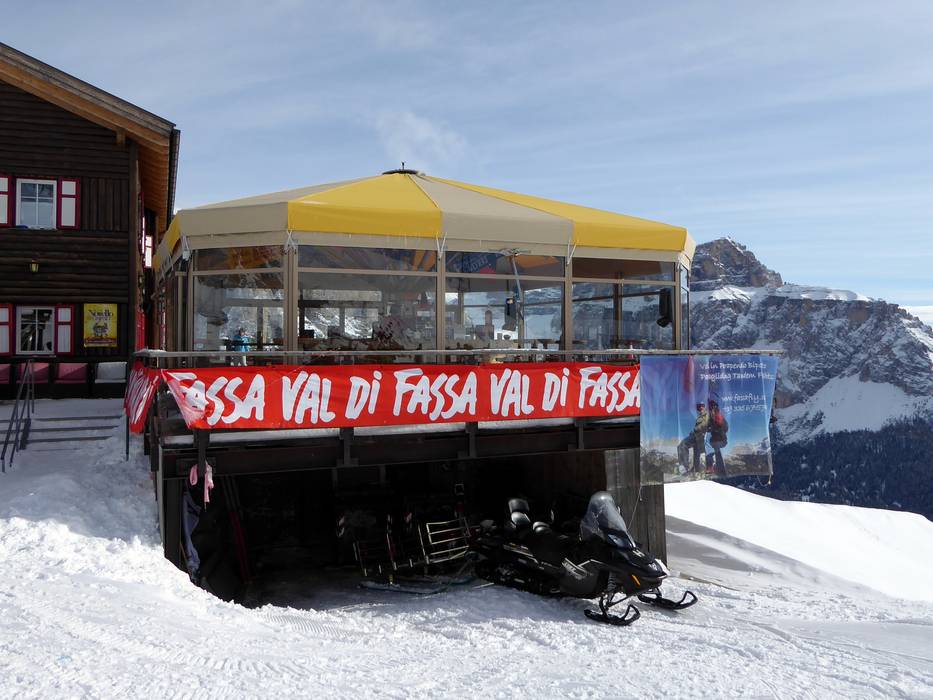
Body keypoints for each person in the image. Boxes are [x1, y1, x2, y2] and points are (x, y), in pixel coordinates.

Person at [677, 402, 709, 473]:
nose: (700, 408)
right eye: (699, 407)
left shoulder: (707, 414)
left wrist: (696, 429)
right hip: (698, 435)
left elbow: (706, 424)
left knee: (682, 445)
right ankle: (696, 470)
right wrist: (693, 431)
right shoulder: (701, 416)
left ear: (704, 407)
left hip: (699, 435)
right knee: (696, 453)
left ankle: (684, 467)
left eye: (702, 406)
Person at [707, 400, 729, 475]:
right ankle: (712, 467)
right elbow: (707, 427)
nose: (711, 409)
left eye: (712, 407)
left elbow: (725, 428)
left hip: (721, 440)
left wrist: (715, 428)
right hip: (714, 440)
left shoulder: (718, 415)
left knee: (716, 449)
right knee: (709, 450)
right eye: (710, 408)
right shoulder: (711, 417)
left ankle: (720, 470)